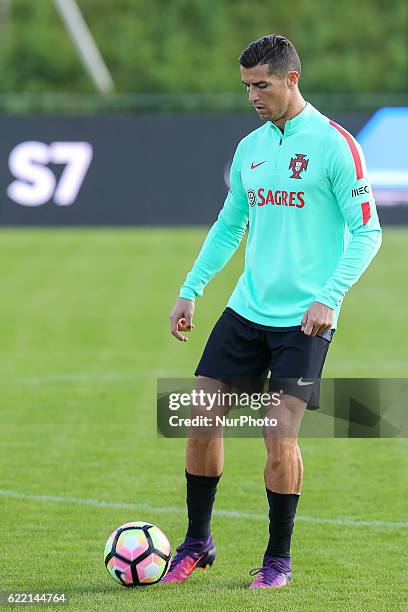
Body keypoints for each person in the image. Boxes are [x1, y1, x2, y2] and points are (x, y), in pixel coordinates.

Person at [163, 34, 382, 589]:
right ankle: (197, 543)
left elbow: (367, 231)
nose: (253, 96)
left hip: (305, 321)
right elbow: (229, 223)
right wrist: (191, 287)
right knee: (199, 419)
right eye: (246, 87)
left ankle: (277, 559)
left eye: (261, 85)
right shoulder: (250, 149)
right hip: (247, 309)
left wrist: (329, 294)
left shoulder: (335, 146)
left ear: (291, 79)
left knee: (278, 433)